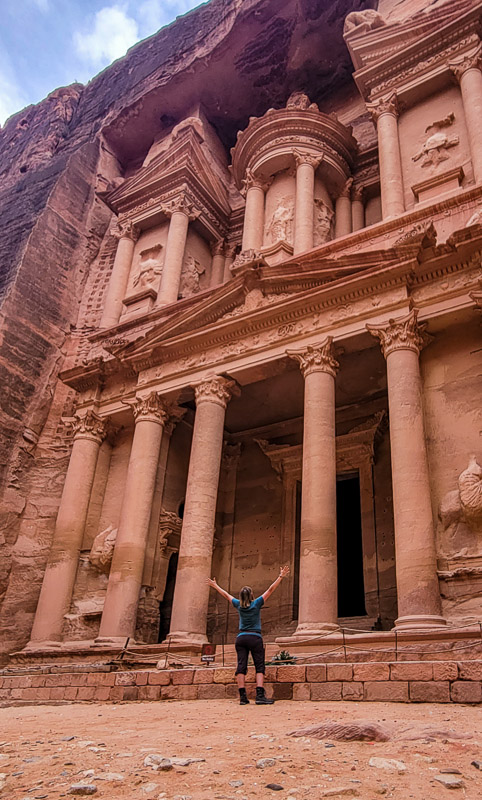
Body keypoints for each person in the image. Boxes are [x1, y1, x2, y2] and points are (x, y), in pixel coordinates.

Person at [207, 566, 290, 705]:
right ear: (252, 595)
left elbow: (226, 595)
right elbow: (270, 590)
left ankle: (243, 697)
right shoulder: (256, 603)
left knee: (241, 666)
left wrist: (215, 585)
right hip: (255, 637)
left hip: (241, 638)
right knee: (259, 666)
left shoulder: (238, 605)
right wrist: (280, 576)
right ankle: (259, 696)